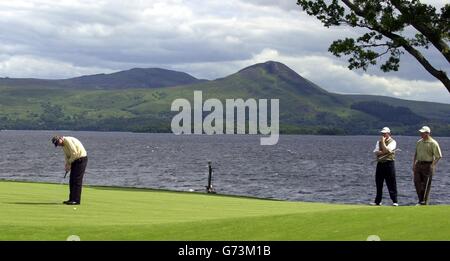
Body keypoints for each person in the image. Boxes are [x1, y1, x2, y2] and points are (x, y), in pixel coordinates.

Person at [51, 135, 88, 205]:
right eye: (57, 144)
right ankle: (71, 199)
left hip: (81, 159)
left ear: (61, 138)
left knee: (77, 180)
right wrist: (67, 165)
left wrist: (69, 163)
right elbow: (67, 156)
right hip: (75, 160)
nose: (59, 144)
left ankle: (76, 200)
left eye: (58, 142)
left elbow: (74, 153)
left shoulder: (67, 140)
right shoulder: (63, 144)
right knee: (72, 180)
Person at [413, 126, 442, 205]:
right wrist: (414, 164)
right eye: (421, 132)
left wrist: (432, 165)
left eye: (423, 132)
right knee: (417, 182)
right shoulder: (419, 142)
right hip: (418, 164)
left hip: (428, 165)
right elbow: (416, 154)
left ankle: (424, 202)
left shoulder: (433, 143)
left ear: (428, 133)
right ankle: (420, 200)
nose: (421, 134)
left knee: (426, 185)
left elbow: (438, 156)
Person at [371, 127, 398, 206]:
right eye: (382, 133)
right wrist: (383, 151)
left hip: (389, 163)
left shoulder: (393, 142)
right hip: (380, 163)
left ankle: (395, 201)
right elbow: (376, 152)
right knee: (379, 183)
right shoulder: (378, 142)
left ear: (389, 133)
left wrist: (382, 145)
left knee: (391, 183)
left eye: (384, 133)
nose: (383, 135)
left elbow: (388, 150)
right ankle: (377, 201)